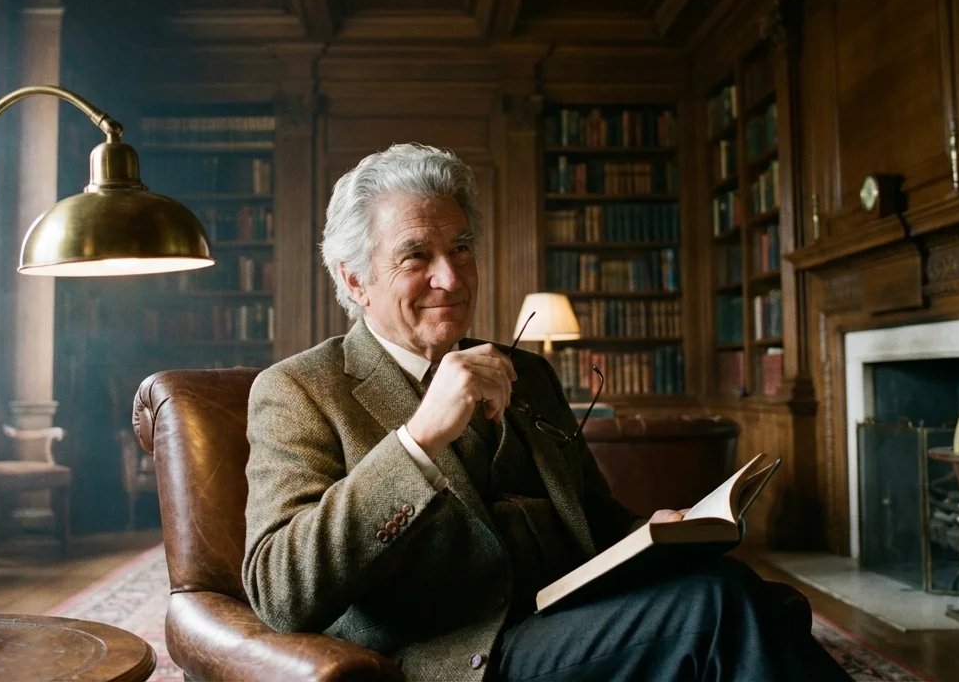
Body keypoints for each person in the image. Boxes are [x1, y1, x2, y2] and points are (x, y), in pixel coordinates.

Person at [242, 144, 849, 680]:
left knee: (731, 590)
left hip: (571, 614)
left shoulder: (525, 372)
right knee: (712, 612)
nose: (450, 278)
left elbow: (595, 514)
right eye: (415, 257)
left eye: (460, 248)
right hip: (462, 655)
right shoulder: (298, 389)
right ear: (354, 278)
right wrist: (418, 440)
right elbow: (280, 590)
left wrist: (663, 532)